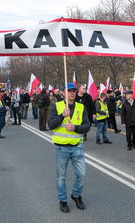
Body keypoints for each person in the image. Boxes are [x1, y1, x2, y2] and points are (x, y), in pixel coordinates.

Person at [48, 82, 90, 213]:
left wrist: (75, 128)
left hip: (77, 147)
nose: (72, 93)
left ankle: (76, 195)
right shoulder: (57, 106)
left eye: (74, 91)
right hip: (61, 148)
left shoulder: (81, 107)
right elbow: (51, 125)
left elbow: (87, 126)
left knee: (82, 174)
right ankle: (63, 200)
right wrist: (62, 116)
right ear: (63, 93)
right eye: (69, 90)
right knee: (61, 177)